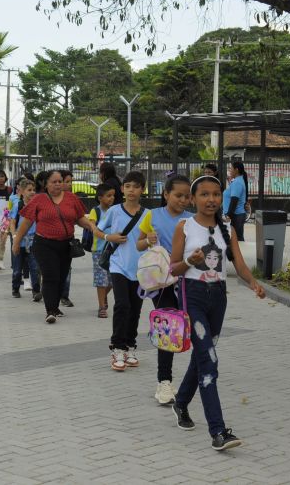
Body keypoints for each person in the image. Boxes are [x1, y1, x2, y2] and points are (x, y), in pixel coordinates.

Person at [169, 175, 265, 451]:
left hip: (218, 298)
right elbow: (173, 268)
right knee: (209, 362)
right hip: (191, 296)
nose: (211, 199)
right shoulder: (184, 227)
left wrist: (253, 283)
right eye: (204, 194)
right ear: (192, 198)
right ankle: (218, 431)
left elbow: (238, 262)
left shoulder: (227, 228)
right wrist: (190, 261)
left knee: (202, 356)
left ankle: (182, 402)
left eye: (216, 194)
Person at [135, 174, 192, 404]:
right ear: (166, 194)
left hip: (188, 280)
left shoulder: (193, 219)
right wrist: (147, 240)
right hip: (162, 282)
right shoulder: (152, 215)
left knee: (189, 328)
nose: (183, 200)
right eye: (178, 195)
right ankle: (164, 382)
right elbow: (138, 243)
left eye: (187, 196)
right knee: (167, 329)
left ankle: (192, 379)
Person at [13, 170, 92, 324]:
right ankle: (50, 310)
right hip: (44, 244)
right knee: (50, 276)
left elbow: (80, 218)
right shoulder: (39, 200)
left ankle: (55, 307)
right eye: (53, 182)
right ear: (46, 184)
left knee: (61, 277)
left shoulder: (71, 198)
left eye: (60, 181)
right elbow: (27, 222)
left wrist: (92, 227)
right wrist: (16, 242)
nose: (58, 184)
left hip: (66, 244)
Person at [93, 171, 147, 371]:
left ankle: (130, 346)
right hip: (118, 266)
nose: (131, 190)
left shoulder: (147, 214)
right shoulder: (114, 211)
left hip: (140, 269)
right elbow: (96, 229)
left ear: (142, 189)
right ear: (122, 189)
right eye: (127, 186)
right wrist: (109, 238)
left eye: (136, 186)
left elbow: (151, 237)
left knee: (135, 309)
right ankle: (117, 347)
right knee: (122, 305)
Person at [9, 179, 41, 300]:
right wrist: (14, 236)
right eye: (29, 190)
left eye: (34, 190)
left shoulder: (37, 206)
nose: (32, 192)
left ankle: (36, 291)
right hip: (20, 241)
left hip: (34, 241)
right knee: (17, 269)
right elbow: (12, 222)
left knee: (35, 268)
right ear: (22, 191)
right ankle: (15, 288)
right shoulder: (18, 205)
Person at [88, 183, 116, 318]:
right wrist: (95, 228)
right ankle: (101, 307)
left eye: (113, 196)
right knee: (101, 280)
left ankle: (103, 296)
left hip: (113, 250)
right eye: (108, 196)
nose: (111, 198)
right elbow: (92, 225)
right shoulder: (96, 211)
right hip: (99, 250)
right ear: (100, 198)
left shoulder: (115, 210)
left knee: (112, 281)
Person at [59, 170, 75, 307]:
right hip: (50, 240)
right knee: (51, 269)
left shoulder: (72, 198)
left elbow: (79, 216)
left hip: (68, 239)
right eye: (67, 181)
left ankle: (64, 295)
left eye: (71, 182)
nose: (69, 184)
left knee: (67, 269)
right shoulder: (50, 197)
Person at [223, 160, 248, 241]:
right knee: (237, 239)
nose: (230, 170)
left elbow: (234, 200)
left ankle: (238, 254)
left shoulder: (237, 182)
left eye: (231, 168)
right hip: (236, 216)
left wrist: (228, 215)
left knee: (236, 240)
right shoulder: (237, 181)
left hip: (235, 216)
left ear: (236, 170)